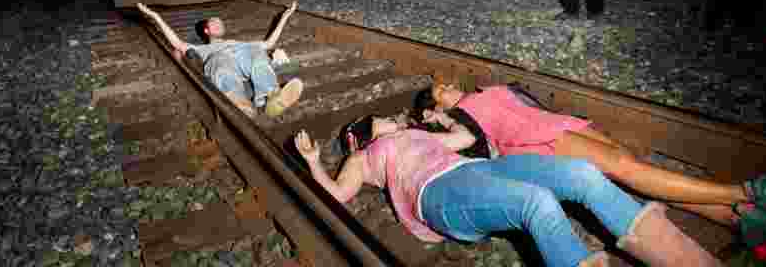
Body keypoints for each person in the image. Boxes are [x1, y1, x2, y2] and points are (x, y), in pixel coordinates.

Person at [413, 79, 766, 247]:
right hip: (537, 141)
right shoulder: (457, 121)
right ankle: (750, 193)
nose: (448, 86)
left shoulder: (481, 92)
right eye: (440, 91)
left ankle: (738, 220)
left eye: (446, 83)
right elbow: (468, 148)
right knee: (631, 170)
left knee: (636, 172)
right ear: (434, 112)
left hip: (559, 125)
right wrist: (436, 121)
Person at [295, 113, 725, 267]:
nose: (388, 119)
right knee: (536, 203)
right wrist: (315, 163)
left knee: (582, 174)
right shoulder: (366, 156)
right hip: (437, 195)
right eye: (378, 121)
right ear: (364, 136)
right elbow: (336, 196)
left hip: (477, 169)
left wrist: (446, 123)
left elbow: (465, 140)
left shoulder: (417, 136)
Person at [136, 1, 303, 118]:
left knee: (257, 54)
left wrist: (285, 17)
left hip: (241, 54)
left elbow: (269, 43)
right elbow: (177, 43)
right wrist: (156, 17)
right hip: (219, 60)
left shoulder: (237, 43)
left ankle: (272, 95)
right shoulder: (202, 49)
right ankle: (239, 101)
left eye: (221, 23)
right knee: (221, 65)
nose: (219, 24)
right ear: (206, 31)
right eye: (214, 22)